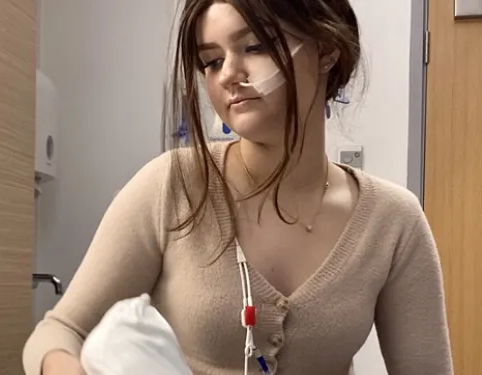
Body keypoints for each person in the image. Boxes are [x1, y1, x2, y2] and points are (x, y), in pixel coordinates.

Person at [23, 1, 454, 374]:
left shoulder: (394, 222)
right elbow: (61, 330)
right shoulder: (171, 186)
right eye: (211, 61)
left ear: (326, 50)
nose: (229, 74)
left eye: (255, 46)